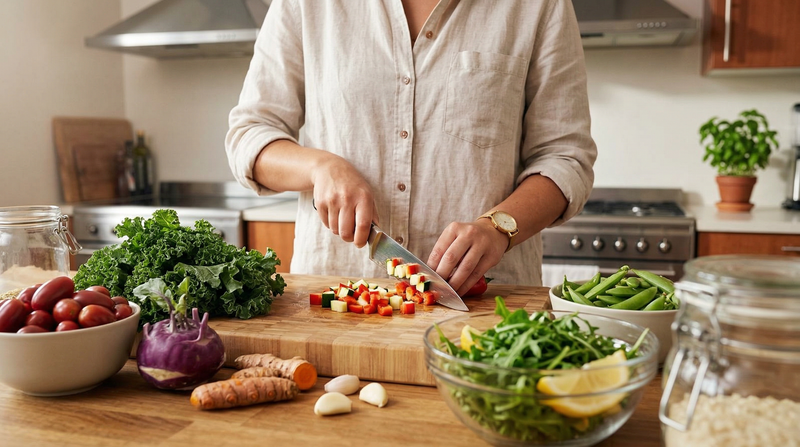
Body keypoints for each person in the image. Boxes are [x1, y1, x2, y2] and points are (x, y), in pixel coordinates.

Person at [226, 0, 597, 294]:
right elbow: (251, 134)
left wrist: (498, 228)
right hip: (337, 296)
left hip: (487, 305)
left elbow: (566, 158)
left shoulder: (538, 5)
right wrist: (320, 167)